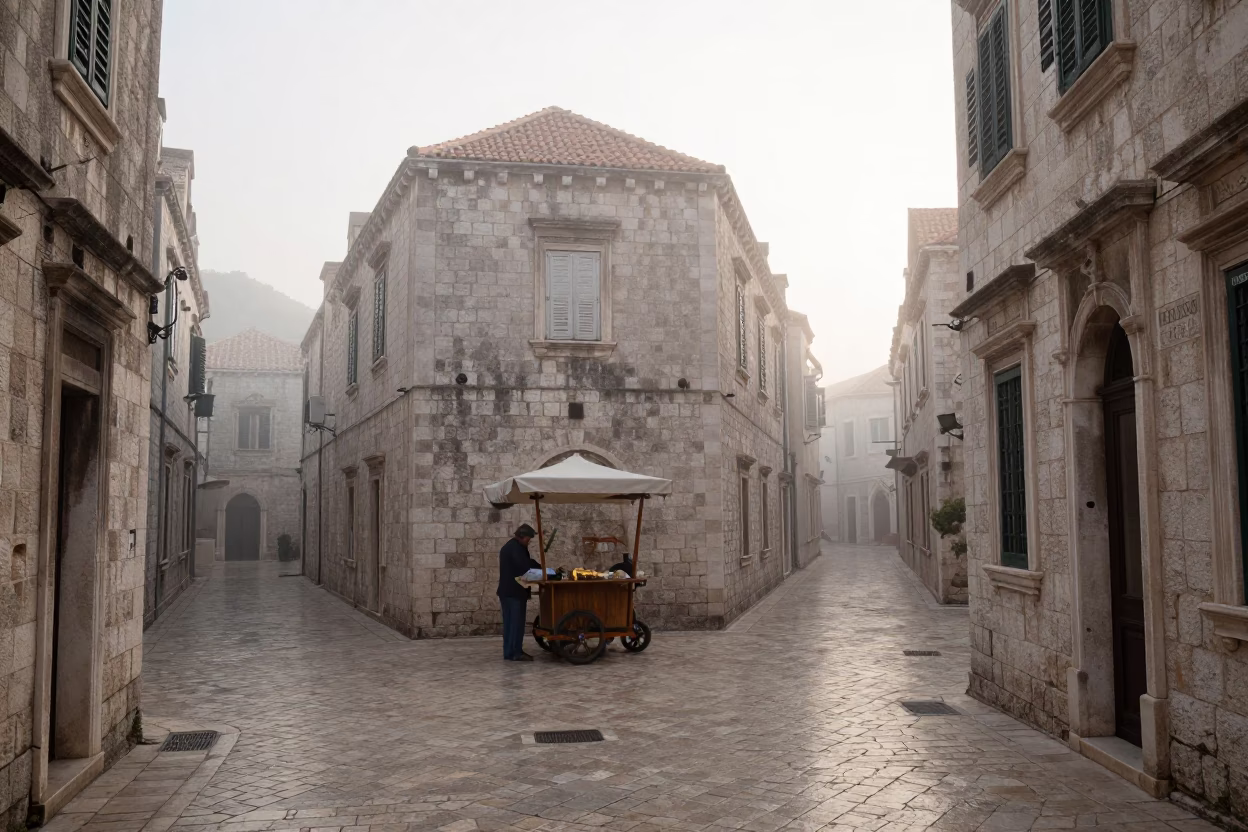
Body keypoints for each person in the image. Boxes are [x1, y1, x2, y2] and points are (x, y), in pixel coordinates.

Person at [497, 523, 542, 661]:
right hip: (514, 592)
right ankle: (516, 652)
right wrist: (542, 571)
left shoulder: (510, 546)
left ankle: (509, 652)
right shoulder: (516, 549)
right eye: (528, 539)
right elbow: (524, 567)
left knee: (510, 624)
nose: (529, 542)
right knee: (516, 623)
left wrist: (539, 566)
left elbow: (526, 562)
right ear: (522, 537)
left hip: (507, 592)